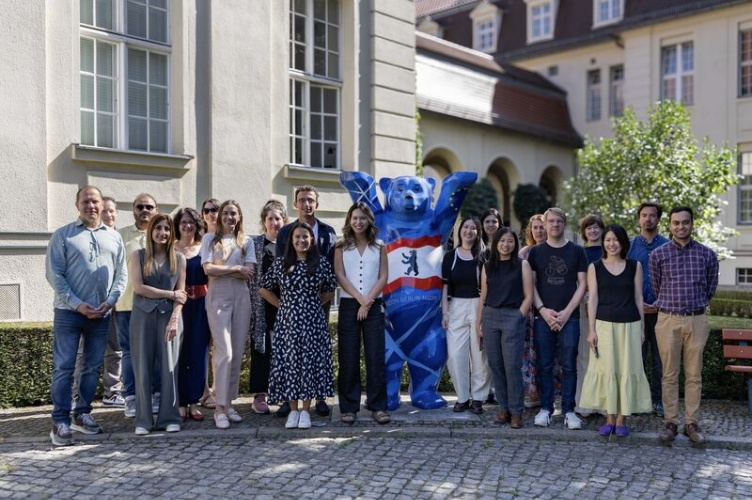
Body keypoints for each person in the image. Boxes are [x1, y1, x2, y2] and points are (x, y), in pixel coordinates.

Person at [45, 186, 127, 446]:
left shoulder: (114, 237)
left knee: (91, 368)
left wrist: (110, 302)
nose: (90, 205)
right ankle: (60, 421)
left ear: (102, 205)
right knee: (64, 367)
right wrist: (77, 304)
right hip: (69, 313)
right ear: (77, 204)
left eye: (95, 201)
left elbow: (121, 275)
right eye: (85, 201)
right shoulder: (63, 236)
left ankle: (82, 415)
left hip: (101, 315)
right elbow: (54, 275)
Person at [650, 207, 718, 446]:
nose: (681, 227)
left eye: (685, 222)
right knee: (668, 375)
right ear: (670, 225)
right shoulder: (658, 255)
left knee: (694, 375)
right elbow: (657, 287)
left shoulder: (707, 255)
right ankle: (670, 422)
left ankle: (691, 423)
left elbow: (710, 288)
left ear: (692, 224)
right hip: (668, 319)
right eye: (676, 223)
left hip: (696, 319)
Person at [261, 222, 337, 430]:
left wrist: (312, 303)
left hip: (313, 321)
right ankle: (293, 410)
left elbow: (331, 288)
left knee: (309, 363)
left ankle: (305, 410)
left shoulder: (321, 263)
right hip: (288, 322)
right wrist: (282, 304)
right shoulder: (281, 263)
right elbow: (263, 288)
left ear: (311, 239)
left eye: (305, 236)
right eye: (297, 237)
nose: (302, 240)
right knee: (291, 363)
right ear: (291, 240)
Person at [580, 225, 652, 437]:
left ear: (623, 243)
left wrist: (641, 328)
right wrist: (591, 330)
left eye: (616, 240)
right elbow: (592, 300)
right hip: (603, 326)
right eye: (608, 240)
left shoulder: (634, 266)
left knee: (625, 370)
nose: (612, 244)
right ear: (603, 243)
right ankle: (609, 418)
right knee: (606, 371)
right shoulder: (595, 267)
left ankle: (621, 419)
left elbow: (639, 298)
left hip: (629, 325)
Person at [275, 185, 337, 418]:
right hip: (292, 302)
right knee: (291, 351)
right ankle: (288, 399)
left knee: (317, 350)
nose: (306, 204)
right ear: (295, 204)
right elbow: (283, 266)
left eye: (310, 200)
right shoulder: (285, 232)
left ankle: (319, 397)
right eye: (302, 200)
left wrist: (316, 301)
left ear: (316, 203)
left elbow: (330, 270)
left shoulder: (329, 232)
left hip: (319, 299)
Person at [528, 208, 588, 430]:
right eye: (550, 221)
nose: (554, 225)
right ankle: (545, 409)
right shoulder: (536, 252)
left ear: (565, 224)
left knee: (569, 365)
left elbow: (582, 284)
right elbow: (531, 285)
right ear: (544, 224)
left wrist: (566, 312)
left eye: (559, 221)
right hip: (544, 316)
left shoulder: (576, 251)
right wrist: (543, 310)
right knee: (544, 365)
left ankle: (569, 411)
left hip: (569, 317)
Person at [200, 200, 256, 429]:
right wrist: (236, 269)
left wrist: (230, 271)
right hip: (218, 297)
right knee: (224, 352)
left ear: (239, 216)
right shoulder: (209, 239)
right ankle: (219, 408)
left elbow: (250, 272)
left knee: (237, 352)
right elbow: (207, 269)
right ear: (220, 216)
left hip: (241, 298)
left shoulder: (247, 241)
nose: (230, 217)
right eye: (226, 213)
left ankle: (229, 403)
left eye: (234, 213)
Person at [129, 214, 187, 435]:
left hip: (169, 318)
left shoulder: (179, 259)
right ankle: (143, 420)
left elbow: (181, 296)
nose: (162, 233)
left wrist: (174, 318)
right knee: (142, 367)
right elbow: (139, 287)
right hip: (142, 317)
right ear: (150, 231)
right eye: (158, 228)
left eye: (167, 229)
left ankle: (169, 417)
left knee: (170, 368)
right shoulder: (138, 256)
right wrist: (170, 294)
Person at [334, 203, 390, 424]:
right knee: (348, 358)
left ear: (369, 221)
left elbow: (383, 276)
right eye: (355, 218)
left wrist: (367, 303)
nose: (358, 222)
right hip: (349, 305)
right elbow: (339, 275)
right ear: (349, 220)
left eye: (363, 218)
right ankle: (348, 407)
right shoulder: (340, 246)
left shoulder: (379, 246)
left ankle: (378, 406)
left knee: (375, 357)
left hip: (374, 305)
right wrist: (360, 300)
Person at [477, 227, 533, 429]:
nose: (505, 245)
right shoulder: (487, 266)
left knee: (511, 367)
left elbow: (529, 296)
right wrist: (479, 324)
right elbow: (483, 297)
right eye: (502, 241)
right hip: (491, 316)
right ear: (496, 243)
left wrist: (519, 316)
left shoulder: (522, 265)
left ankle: (517, 412)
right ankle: (504, 409)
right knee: (496, 366)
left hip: (513, 316)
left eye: (510, 241)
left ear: (514, 243)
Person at [71, 196, 124, 408]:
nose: (109, 215)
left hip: (117, 305)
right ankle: (76, 396)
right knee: (83, 353)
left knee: (116, 350)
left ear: (116, 213)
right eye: (105, 211)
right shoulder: (84, 235)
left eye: (112, 211)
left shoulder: (119, 237)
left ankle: (112, 393)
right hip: (91, 305)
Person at [117, 193, 160, 418]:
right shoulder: (120, 235)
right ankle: (131, 397)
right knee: (129, 352)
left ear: (156, 209)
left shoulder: (162, 235)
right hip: (126, 304)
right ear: (133, 209)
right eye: (140, 206)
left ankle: (155, 394)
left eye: (149, 206)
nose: (145, 210)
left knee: (154, 352)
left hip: (155, 304)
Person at [441, 217, 490, 414]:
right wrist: (445, 312)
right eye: (466, 228)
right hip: (456, 307)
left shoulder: (484, 256)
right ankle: (462, 397)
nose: (469, 231)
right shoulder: (450, 256)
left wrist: (484, 313)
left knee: (479, 355)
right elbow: (444, 287)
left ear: (478, 233)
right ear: (459, 231)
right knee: (455, 355)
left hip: (479, 305)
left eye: (473, 228)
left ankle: (478, 398)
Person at [627, 202, 669, 418]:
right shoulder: (631, 246)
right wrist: (638, 303)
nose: (648, 219)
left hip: (663, 313)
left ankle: (659, 401)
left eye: (652, 216)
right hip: (637, 313)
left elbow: (673, 280)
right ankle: (639, 401)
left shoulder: (668, 245)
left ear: (658, 219)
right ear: (639, 218)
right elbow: (624, 278)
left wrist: (661, 301)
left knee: (660, 362)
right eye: (644, 215)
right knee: (637, 359)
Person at [248, 200, 288, 415]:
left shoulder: (290, 243)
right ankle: (260, 395)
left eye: (278, 218)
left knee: (282, 350)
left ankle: (281, 393)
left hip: (286, 305)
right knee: (262, 350)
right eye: (270, 218)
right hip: (262, 304)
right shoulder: (255, 244)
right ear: (264, 222)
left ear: (285, 221)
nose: (275, 222)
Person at [174, 207, 210, 422]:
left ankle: (194, 401)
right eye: (183, 222)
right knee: (178, 353)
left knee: (198, 352)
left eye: (192, 222)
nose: (188, 226)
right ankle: (180, 402)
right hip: (178, 305)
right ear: (177, 225)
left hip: (201, 305)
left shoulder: (204, 247)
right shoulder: (172, 248)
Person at [575, 213, 604, 416]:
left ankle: (604, 404)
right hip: (585, 307)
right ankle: (584, 403)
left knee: (605, 357)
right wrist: (586, 300)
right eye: (588, 228)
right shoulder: (580, 253)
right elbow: (579, 282)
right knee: (585, 355)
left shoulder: (610, 250)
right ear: (584, 232)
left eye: (596, 227)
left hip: (608, 308)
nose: (593, 231)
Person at [518, 214, 546, 409]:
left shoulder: (553, 249)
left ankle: (548, 393)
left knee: (547, 351)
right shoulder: (524, 253)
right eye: (535, 228)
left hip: (548, 306)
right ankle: (531, 392)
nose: (539, 231)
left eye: (541, 227)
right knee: (529, 351)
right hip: (528, 308)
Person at [199, 197, 220, 409]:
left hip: (219, 296)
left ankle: (216, 389)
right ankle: (204, 390)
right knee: (202, 346)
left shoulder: (226, 237)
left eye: (215, 210)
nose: (211, 213)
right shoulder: (199, 238)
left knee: (218, 345)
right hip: (199, 298)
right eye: (206, 210)